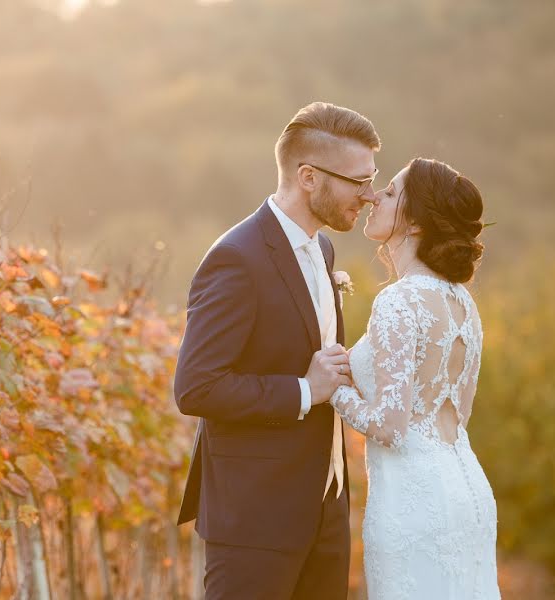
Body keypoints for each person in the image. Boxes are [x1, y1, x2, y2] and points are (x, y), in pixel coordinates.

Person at [174, 101, 379, 598]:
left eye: (372, 180)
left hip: (327, 509)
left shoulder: (324, 250)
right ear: (309, 177)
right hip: (255, 521)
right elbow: (196, 387)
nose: (370, 195)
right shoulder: (236, 258)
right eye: (357, 181)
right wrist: (305, 391)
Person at [325, 157, 501, 599]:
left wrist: (335, 389)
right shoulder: (462, 304)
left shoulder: (399, 302)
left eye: (390, 192)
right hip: (467, 490)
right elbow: (456, 416)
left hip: (412, 500)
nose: (374, 196)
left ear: (418, 223)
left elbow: (391, 427)